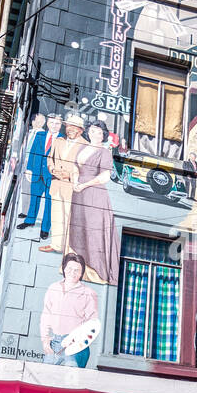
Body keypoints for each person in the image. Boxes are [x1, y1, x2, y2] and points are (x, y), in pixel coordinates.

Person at [66, 120, 119, 284]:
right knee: (79, 226)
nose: (94, 134)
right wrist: (75, 182)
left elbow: (105, 176)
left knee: (93, 229)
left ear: (103, 135)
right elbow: (75, 166)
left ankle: (98, 268)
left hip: (94, 193)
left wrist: (85, 185)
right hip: (79, 191)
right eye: (92, 131)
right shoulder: (83, 147)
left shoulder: (104, 152)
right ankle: (81, 264)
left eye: (98, 132)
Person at [40, 252, 100, 368]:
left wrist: (76, 339)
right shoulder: (54, 288)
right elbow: (46, 316)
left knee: (70, 380)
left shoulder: (88, 293)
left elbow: (92, 324)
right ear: (64, 268)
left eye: (77, 270)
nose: (72, 272)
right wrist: (45, 340)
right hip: (55, 343)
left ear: (82, 273)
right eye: (70, 268)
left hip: (76, 346)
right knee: (44, 376)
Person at [40, 113, 87, 255]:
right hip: (56, 184)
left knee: (69, 218)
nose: (70, 129)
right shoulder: (59, 141)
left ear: (80, 130)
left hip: (71, 187)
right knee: (56, 216)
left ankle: (69, 248)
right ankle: (56, 245)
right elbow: (50, 158)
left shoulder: (85, 146)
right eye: (68, 126)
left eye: (74, 127)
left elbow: (86, 168)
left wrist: (70, 175)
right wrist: (52, 169)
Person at [19, 112, 57, 238]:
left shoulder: (61, 139)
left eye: (57, 123)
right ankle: (29, 220)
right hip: (36, 172)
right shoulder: (40, 135)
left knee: (49, 202)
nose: (54, 125)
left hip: (51, 176)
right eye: (51, 122)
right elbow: (33, 152)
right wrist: (29, 168)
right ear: (48, 124)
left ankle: (45, 228)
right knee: (34, 198)